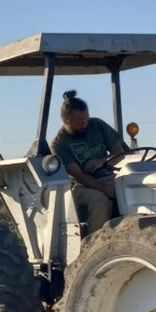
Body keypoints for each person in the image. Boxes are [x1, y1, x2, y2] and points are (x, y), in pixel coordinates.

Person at [50, 90, 126, 232]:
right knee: (100, 200)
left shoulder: (97, 125)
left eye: (86, 120)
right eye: (79, 123)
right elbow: (79, 176)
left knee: (133, 189)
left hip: (111, 176)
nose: (85, 125)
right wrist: (104, 189)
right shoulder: (59, 145)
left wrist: (103, 161)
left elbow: (119, 153)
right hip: (82, 186)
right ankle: (94, 244)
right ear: (66, 121)